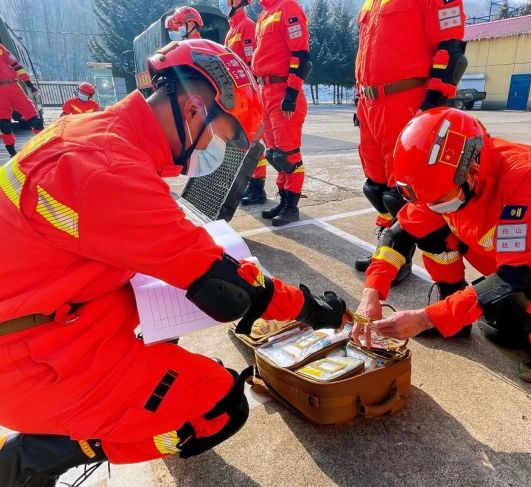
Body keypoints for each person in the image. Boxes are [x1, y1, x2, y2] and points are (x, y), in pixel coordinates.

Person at [0, 40, 346, 486]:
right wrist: (309, 308)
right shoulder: (108, 172)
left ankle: (92, 416)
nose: (217, 150)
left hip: (52, 318)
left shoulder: (92, 135)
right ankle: (41, 454)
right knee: (220, 407)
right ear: (194, 109)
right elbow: (230, 290)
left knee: (166, 329)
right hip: (32, 360)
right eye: (220, 135)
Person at [354, 108, 531, 383]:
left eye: (438, 200)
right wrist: (371, 292)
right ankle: (452, 305)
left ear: (472, 170)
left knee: (505, 316)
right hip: (510, 254)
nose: (432, 206)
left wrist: (425, 318)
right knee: (429, 228)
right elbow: (399, 235)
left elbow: (514, 280)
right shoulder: (445, 180)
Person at [353, 0, 467, 283]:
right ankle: (385, 249)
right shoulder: (373, 3)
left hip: (406, 100)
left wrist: (433, 102)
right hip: (370, 103)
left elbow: (451, 51)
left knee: (401, 193)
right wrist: (359, 98)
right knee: (376, 187)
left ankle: (401, 258)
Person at [253, 0, 311, 225]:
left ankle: (291, 207)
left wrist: (291, 93)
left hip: (282, 91)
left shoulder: (288, 7)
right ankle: (284, 199)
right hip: (265, 91)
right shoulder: (264, 15)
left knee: (289, 154)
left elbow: (300, 54)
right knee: (275, 153)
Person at [219, 0, 269, 206]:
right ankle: (251, 183)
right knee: (243, 142)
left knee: (254, 142)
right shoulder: (232, 31)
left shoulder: (247, 27)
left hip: (248, 94)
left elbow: (250, 64)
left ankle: (259, 188)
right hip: (236, 95)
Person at [0, 43, 43, 157]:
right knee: (4, 126)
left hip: (14, 87)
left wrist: (29, 83)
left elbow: (16, 65)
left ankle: (42, 146)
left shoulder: (1, 48)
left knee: (36, 120)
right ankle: (12, 153)